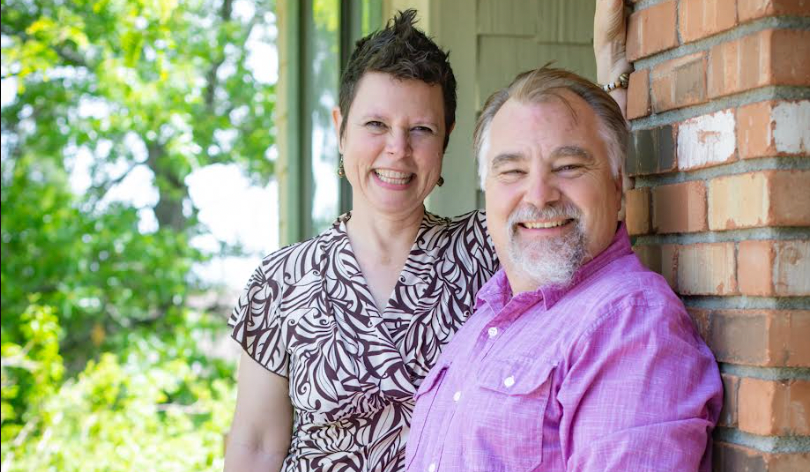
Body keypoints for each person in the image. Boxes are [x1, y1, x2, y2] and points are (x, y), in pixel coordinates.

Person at [224, 4, 632, 471]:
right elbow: (255, 445)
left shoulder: (493, 247)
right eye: (375, 125)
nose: (397, 150)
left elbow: (595, 209)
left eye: (420, 129)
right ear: (340, 128)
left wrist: (611, 63)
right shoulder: (281, 280)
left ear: (446, 140)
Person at [405, 66, 723, 472]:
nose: (539, 195)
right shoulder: (490, 315)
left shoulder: (631, 325)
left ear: (616, 185)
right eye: (513, 171)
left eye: (568, 166)